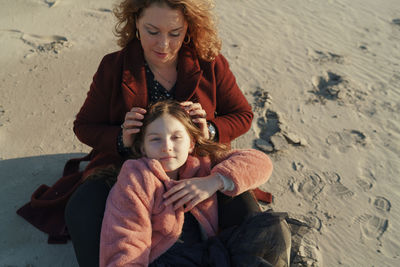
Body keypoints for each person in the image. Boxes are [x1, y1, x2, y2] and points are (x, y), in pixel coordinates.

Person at [16, 0, 265, 266]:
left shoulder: (210, 63)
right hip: (125, 166)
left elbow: (242, 115)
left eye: (175, 33)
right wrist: (121, 139)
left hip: (197, 166)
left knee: (248, 213)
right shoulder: (114, 66)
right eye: (152, 31)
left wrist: (210, 131)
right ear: (135, 22)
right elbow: (84, 125)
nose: (164, 45)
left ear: (189, 28)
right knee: (82, 208)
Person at [99, 100, 291, 266]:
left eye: (176, 137)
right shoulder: (137, 179)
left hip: (211, 253)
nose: (167, 146)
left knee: (272, 232)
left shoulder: (203, 163)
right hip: (168, 259)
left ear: (191, 143)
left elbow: (261, 162)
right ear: (143, 148)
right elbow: (126, 239)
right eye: (155, 139)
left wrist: (214, 181)